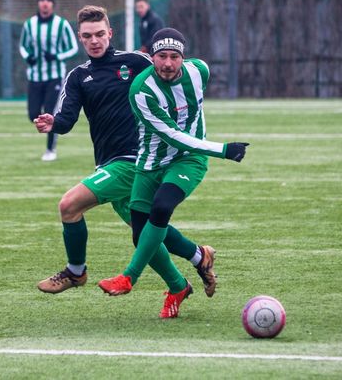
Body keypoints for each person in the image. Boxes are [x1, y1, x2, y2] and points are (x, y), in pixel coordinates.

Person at [34, 7, 217, 301]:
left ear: (110, 33)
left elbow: (170, 71)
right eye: (87, 36)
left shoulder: (135, 61)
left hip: (138, 160)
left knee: (69, 205)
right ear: (80, 38)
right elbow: (66, 119)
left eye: (99, 34)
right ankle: (191, 267)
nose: (94, 41)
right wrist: (53, 122)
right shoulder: (77, 77)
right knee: (145, 233)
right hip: (108, 161)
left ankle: (75, 271)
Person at [98, 28, 249, 318]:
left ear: (183, 58)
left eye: (174, 56)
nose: (168, 63)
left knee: (161, 208)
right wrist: (223, 150)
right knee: (141, 235)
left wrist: (209, 150)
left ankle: (128, 277)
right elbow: (172, 135)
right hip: (151, 162)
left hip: (189, 159)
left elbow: (186, 139)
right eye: (162, 56)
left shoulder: (200, 71)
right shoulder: (141, 90)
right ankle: (192, 267)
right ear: (152, 57)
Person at [19, 0, 78, 161]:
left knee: (51, 112)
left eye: (48, 1)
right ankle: (48, 135)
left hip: (55, 76)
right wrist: (28, 56)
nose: (45, 3)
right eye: (42, 0)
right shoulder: (29, 24)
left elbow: (73, 47)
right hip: (35, 76)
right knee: (33, 114)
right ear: (38, 4)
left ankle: (50, 149)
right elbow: (23, 46)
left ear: (52, 5)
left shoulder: (61, 24)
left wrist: (57, 56)